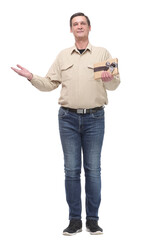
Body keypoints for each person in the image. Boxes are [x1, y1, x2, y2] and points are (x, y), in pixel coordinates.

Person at [11, 12, 120, 236]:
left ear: (90, 28)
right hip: (68, 120)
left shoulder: (102, 53)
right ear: (71, 30)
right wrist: (31, 76)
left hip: (95, 119)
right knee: (71, 171)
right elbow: (50, 83)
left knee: (93, 170)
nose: (79, 26)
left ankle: (92, 220)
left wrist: (111, 79)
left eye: (82, 23)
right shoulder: (63, 56)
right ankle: (74, 221)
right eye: (75, 24)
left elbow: (114, 85)